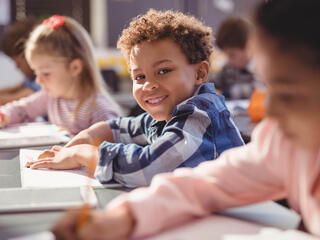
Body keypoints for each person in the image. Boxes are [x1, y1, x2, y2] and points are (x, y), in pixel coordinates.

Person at [51, 0, 320, 239]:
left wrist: (91, 154)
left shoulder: (200, 113)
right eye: (267, 85)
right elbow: (203, 185)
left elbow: (154, 167)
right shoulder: (283, 142)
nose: (268, 113)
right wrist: (126, 217)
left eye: (288, 93)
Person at [26, 9, 244, 188]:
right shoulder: (167, 112)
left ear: (199, 74)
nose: (148, 85)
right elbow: (125, 127)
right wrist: (91, 134)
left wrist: (85, 153)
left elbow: (147, 169)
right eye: (139, 77)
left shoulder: (200, 116)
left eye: (163, 71)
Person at [0, 15, 120, 134]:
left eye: (46, 74)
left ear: (75, 67)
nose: (38, 81)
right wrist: (4, 115)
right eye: (36, 73)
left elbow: (112, 149)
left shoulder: (99, 110)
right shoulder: (52, 97)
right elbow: (22, 109)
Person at [211, 17, 256, 99]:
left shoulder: (259, 69)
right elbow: (213, 82)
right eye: (226, 55)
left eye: (232, 55)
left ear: (249, 47)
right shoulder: (229, 68)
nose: (229, 60)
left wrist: (225, 93)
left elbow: (256, 90)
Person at [0, 18, 41, 105]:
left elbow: (28, 94)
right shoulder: (31, 78)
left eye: (18, 63)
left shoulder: (43, 79)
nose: (17, 68)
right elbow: (17, 87)